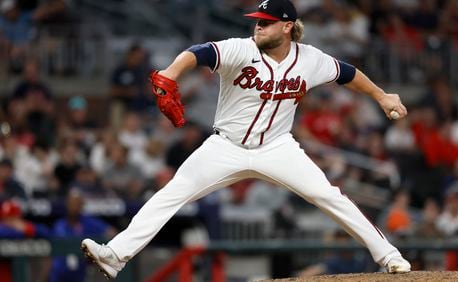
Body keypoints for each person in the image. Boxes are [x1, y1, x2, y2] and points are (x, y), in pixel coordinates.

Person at [81, 0, 411, 279]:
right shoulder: (241, 49)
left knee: (329, 196)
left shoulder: (309, 59)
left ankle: (389, 256)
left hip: (278, 147)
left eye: (267, 23)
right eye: (257, 22)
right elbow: (198, 53)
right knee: (171, 194)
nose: (258, 27)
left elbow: (347, 74)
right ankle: (115, 256)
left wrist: (381, 96)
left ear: (287, 27)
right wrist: (170, 73)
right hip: (226, 146)